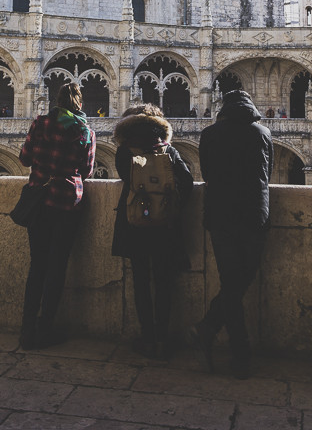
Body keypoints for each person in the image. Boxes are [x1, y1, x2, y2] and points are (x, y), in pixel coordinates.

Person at [189, 89, 273, 379]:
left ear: (224, 108)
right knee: (241, 280)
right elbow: (267, 174)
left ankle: (216, 334)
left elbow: (207, 174)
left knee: (231, 281)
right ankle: (237, 351)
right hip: (254, 215)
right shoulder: (263, 133)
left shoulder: (210, 134)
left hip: (221, 215)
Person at [112, 103, 193, 359]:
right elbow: (187, 183)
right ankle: (163, 339)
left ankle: (147, 338)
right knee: (163, 281)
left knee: (141, 281)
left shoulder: (125, 150)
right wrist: (169, 206)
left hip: (135, 223)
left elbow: (127, 180)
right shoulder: (168, 149)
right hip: (164, 225)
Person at [18, 83, 96, 350]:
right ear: (79, 104)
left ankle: (26, 330)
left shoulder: (40, 124)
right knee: (57, 267)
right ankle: (45, 328)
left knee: (37, 266)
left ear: (57, 101)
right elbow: (87, 171)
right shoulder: (85, 131)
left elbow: (24, 159)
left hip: (39, 201)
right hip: (66, 205)